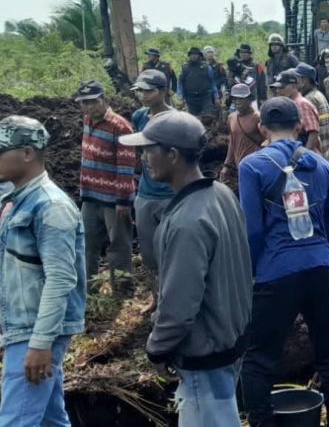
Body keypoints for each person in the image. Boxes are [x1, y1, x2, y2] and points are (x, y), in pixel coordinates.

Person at [120, 111, 251, 427]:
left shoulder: (187, 222)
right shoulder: (220, 194)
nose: (144, 158)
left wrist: (158, 349)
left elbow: (179, 304)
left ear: (173, 155)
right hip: (231, 340)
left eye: (150, 150)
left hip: (204, 354)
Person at [238, 97, 329, 427]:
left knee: (258, 359)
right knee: (328, 351)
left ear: (261, 128)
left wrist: (253, 272)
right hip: (317, 267)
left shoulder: (252, 166)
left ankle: (261, 422)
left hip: (275, 270)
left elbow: (252, 229)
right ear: (299, 126)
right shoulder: (324, 166)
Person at [0, 116, 86, 426]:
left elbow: (60, 280)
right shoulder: (14, 200)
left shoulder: (51, 207)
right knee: (51, 420)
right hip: (23, 327)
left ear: (27, 153)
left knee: (16, 421)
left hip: (35, 329)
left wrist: (39, 343)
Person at [75, 81, 136, 290]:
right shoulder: (87, 120)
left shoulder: (121, 127)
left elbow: (126, 168)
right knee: (86, 244)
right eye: (84, 103)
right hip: (91, 197)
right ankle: (88, 288)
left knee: (118, 247)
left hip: (114, 200)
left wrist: (123, 201)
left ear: (104, 100)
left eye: (93, 102)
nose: (89, 107)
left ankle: (122, 291)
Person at [130, 70, 175, 312]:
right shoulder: (138, 117)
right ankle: (156, 298)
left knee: (172, 251)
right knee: (148, 253)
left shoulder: (176, 120)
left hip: (171, 195)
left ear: (163, 91)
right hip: (146, 194)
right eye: (140, 91)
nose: (143, 96)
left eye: (149, 90)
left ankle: (173, 299)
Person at [220, 84, 265, 184]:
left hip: (256, 166)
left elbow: (267, 142)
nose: (237, 102)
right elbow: (232, 142)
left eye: (241, 99)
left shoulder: (258, 117)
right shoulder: (232, 117)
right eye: (235, 99)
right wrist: (226, 166)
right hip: (239, 166)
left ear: (249, 99)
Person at [270, 70, 321, 152]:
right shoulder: (287, 104)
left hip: (305, 155)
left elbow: (313, 132)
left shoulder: (302, 104)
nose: (278, 91)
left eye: (282, 88)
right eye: (277, 88)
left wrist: (304, 154)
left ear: (294, 87)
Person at [296, 63, 329, 158]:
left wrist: (304, 154)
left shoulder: (308, 100)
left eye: (297, 79)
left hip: (314, 152)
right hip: (323, 149)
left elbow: (313, 132)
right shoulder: (318, 94)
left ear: (304, 81)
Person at [177, 46, 219, 116]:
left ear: (199, 55)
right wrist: (180, 98)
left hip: (205, 97)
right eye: (192, 54)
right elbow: (180, 84)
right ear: (189, 55)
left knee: (208, 118)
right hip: (191, 98)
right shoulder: (185, 68)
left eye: (196, 54)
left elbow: (212, 83)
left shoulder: (207, 67)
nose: (194, 56)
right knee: (193, 120)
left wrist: (216, 97)